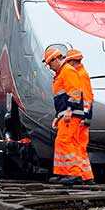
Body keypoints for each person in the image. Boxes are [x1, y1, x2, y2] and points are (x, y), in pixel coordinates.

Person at [43, 47, 88, 184]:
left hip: (71, 114)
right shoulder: (62, 72)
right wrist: (58, 115)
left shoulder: (67, 71)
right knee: (62, 142)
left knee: (65, 141)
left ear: (56, 60)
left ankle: (74, 173)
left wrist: (69, 109)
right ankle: (63, 173)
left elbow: (75, 92)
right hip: (65, 114)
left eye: (50, 64)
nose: (50, 68)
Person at [65, 49, 95, 184]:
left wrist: (84, 116)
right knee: (81, 147)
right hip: (84, 116)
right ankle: (86, 176)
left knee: (77, 146)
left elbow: (86, 98)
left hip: (81, 117)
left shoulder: (81, 75)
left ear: (71, 61)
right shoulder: (82, 74)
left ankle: (80, 175)